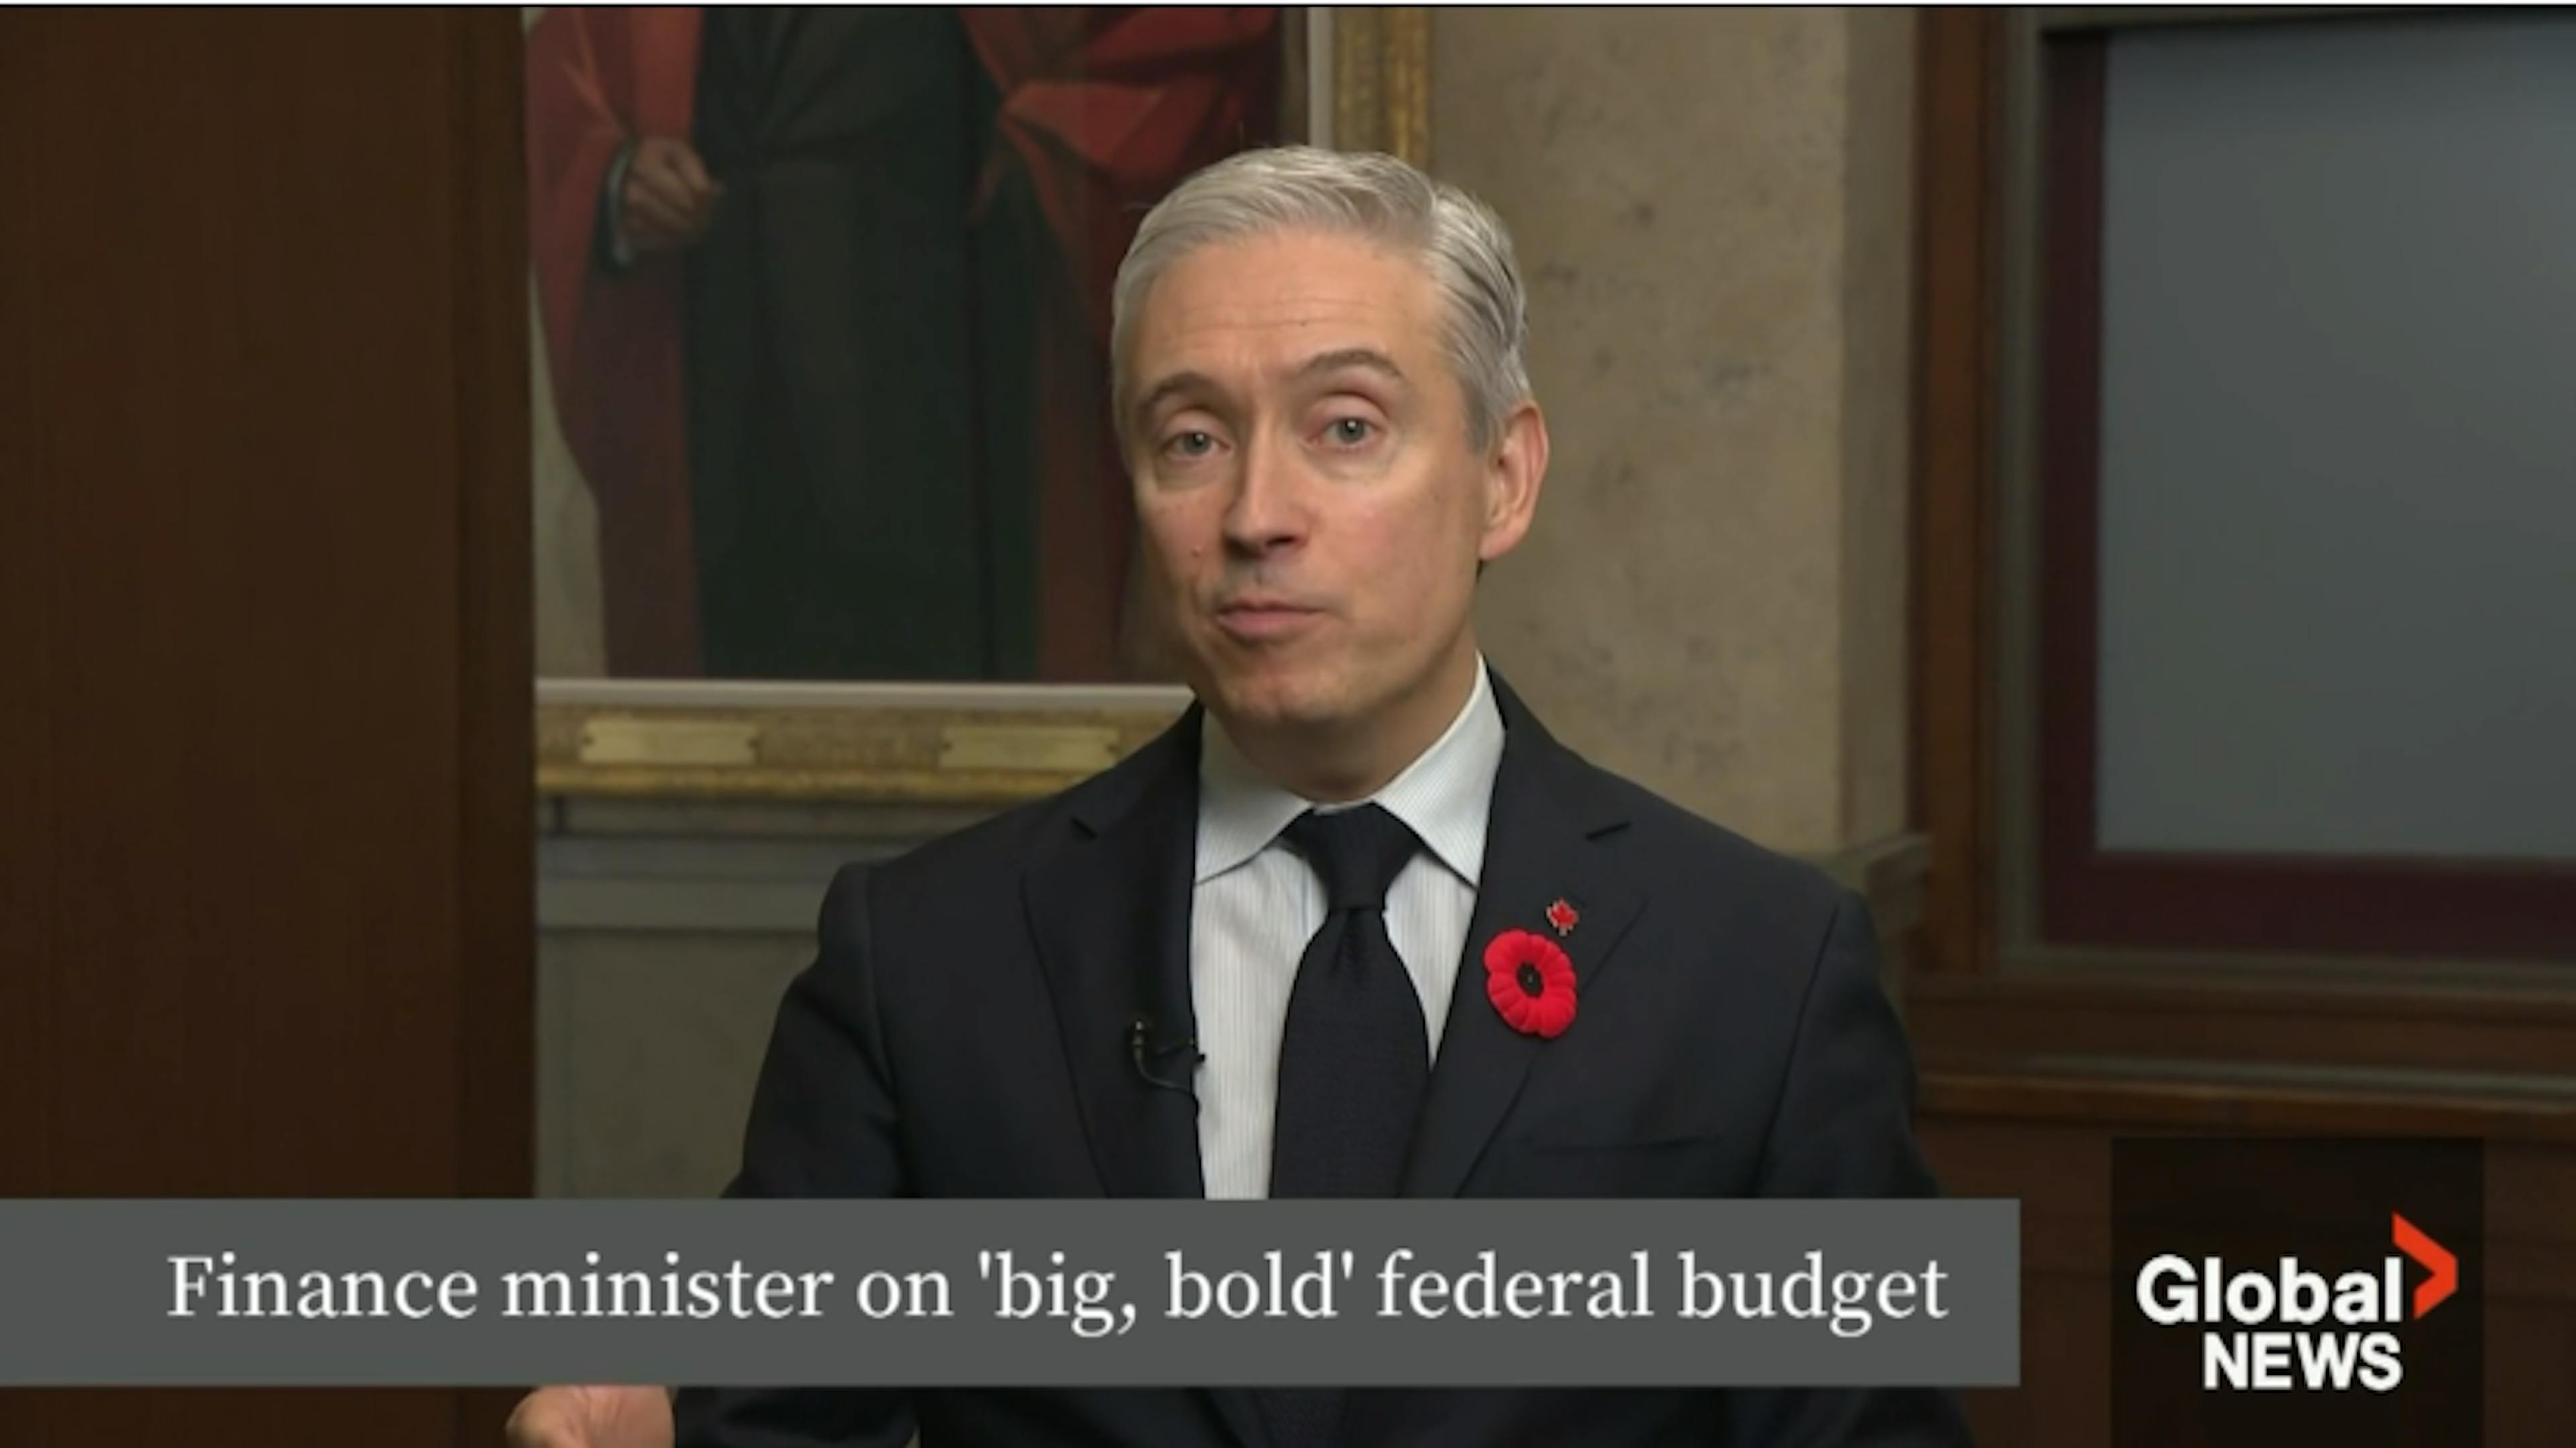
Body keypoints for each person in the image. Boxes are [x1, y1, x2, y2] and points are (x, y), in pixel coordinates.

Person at [508, 146, 1972, 1447]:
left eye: (1346, 428)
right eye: (1192, 439)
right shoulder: (925, 959)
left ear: (1504, 479)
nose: (1257, 513)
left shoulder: (1760, 970)